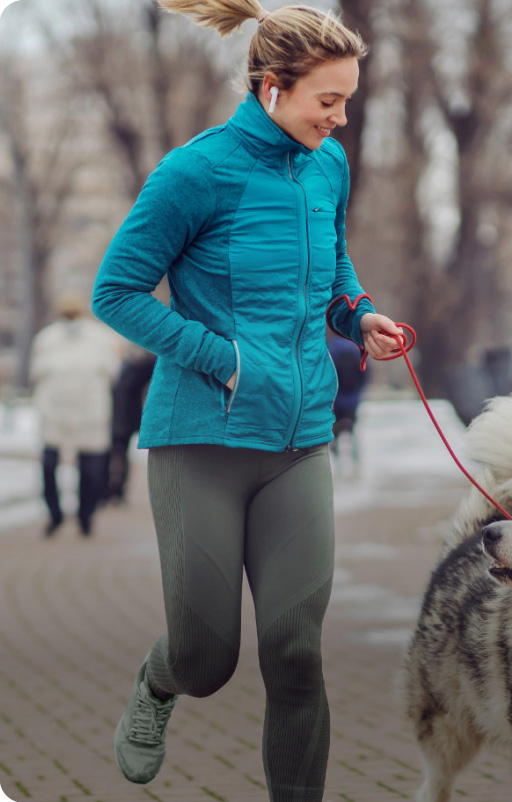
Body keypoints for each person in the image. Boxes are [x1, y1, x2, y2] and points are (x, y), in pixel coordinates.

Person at [91, 2, 402, 798]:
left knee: (296, 651)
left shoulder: (326, 168)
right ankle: (159, 683)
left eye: (347, 101)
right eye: (326, 101)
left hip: (300, 439)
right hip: (202, 439)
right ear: (271, 87)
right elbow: (117, 291)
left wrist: (359, 314)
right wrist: (219, 358)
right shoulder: (196, 171)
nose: (338, 120)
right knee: (207, 659)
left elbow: (330, 271)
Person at [30, 291, 120, 536]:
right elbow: (36, 373)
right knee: (51, 466)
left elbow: (112, 373)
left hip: (89, 409)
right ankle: (57, 514)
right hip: (56, 411)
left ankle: (85, 516)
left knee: (88, 469)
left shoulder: (100, 338)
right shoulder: (47, 338)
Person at [107, 346, 157, 504]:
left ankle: (117, 490)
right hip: (111, 416)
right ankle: (111, 489)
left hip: (124, 417)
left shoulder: (138, 366)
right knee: (111, 453)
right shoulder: (118, 368)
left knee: (119, 452)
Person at [327, 333, 369, 473]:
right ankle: (356, 460)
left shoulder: (332, 348)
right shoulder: (357, 348)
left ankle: (337, 460)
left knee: (335, 430)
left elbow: (327, 373)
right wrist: (359, 391)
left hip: (336, 398)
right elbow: (365, 372)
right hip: (353, 398)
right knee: (353, 428)